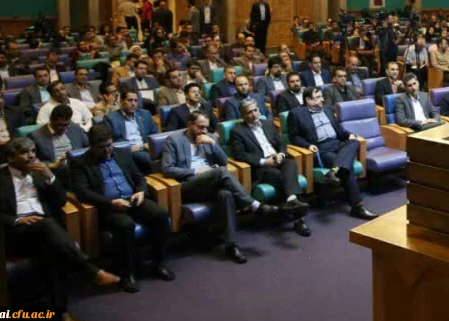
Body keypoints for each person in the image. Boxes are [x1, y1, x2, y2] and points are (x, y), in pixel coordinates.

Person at [1, 137, 120, 321]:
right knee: (49, 226)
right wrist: (16, 220)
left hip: (44, 231)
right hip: (16, 231)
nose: (31, 156)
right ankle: (90, 270)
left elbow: (61, 201)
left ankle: (61, 313)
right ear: (10, 158)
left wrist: (50, 177)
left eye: (33, 151)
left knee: (53, 251)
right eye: (24, 153)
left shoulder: (39, 173)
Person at [162, 112, 280, 263]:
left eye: (206, 127)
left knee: (226, 194)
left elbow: (224, 161)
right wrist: (196, 171)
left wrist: (213, 144)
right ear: (189, 124)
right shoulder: (174, 140)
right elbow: (167, 169)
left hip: (212, 182)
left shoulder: (209, 137)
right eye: (200, 127)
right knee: (220, 172)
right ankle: (254, 205)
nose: (204, 131)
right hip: (189, 185)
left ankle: (231, 245)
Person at [70, 125, 174, 293]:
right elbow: (82, 192)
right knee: (125, 224)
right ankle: (126, 273)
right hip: (109, 206)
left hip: (133, 199)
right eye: (102, 147)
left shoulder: (122, 153)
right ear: (92, 146)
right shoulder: (80, 163)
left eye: (109, 145)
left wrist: (141, 191)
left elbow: (139, 178)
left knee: (161, 215)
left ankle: (158, 263)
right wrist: (111, 203)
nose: (107, 150)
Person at [287, 87, 378, 220]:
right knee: (346, 169)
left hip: (337, 144)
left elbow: (339, 130)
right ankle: (357, 206)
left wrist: (349, 135)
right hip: (321, 149)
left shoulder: (328, 109)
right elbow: (293, 137)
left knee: (354, 142)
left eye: (321, 96)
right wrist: (308, 145)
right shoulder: (296, 113)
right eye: (318, 97)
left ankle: (334, 170)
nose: (322, 99)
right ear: (308, 100)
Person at [229, 100, 310, 236]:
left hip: (277, 159)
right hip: (261, 167)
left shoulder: (267, 124)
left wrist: (281, 155)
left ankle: (291, 200)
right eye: (249, 112)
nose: (254, 114)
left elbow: (282, 144)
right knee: (284, 178)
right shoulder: (237, 131)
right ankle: (299, 220)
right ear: (243, 115)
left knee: (291, 164)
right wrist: (263, 161)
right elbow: (240, 154)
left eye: (255, 110)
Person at [32, 104, 89, 186]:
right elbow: (33, 162)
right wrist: (53, 165)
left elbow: (88, 146)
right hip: (55, 172)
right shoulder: (36, 136)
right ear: (51, 120)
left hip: (79, 168)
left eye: (66, 125)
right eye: (59, 125)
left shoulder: (75, 128)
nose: (64, 129)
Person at [104, 90, 158, 174]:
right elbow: (112, 142)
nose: (133, 104)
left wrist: (150, 144)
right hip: (130, 151)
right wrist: (130, 148)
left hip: (147, 148)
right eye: (130, 100)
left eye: (135, 101)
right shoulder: (111, 118)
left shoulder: (145, 114)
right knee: (150, 159)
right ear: (121, 101)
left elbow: (155, 135)